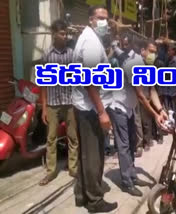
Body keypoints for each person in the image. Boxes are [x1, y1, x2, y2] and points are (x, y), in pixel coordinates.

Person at [107, 36, 168, 197]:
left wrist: (161, 109)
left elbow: (152, 89)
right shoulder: (133, 63)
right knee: (124, 145)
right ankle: (127, 182)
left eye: (155, 52)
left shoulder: (146, 65)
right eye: (151, 52)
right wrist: (155, 115)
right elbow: (141, 95)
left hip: (129, 107)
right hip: (119, 106)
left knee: (133, 142)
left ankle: (133, 175)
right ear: (142, 51)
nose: (154, 55)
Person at [71, 5, 118, 213]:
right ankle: (95, 201)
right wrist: (102, 112)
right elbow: (90, 80)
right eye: (100, 18)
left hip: (85, 106)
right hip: (91, 109)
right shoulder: (90, 42)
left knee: (85, 155)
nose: (104, 23)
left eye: (106, 19)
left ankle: (82, 195)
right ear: (91, 19)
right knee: (94, 157)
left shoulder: (89, 38)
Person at [39, 19, 79, 186]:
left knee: (73, 137)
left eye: (66, 33)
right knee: (51, 138)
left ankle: (74, 169)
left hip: (70, 102)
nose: (65, 36)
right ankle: (50, 172)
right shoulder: (47, 56)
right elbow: (43, 84)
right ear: (54, 34)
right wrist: (43, 108)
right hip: (53, 104)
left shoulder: (71, 54)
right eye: (62, 33)